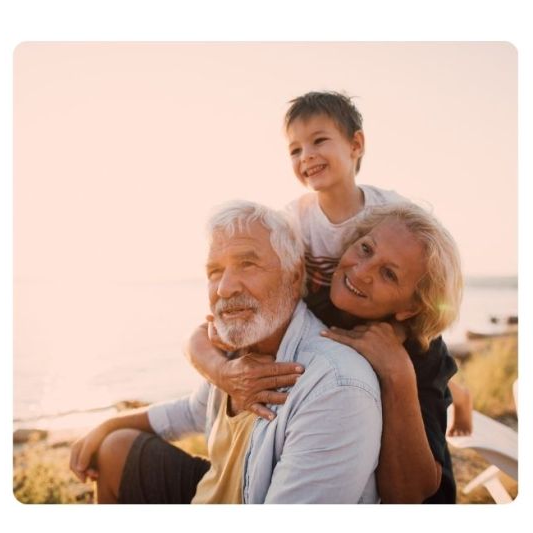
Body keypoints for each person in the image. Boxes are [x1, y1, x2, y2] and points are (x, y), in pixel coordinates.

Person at [69, 201, 383, 504]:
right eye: (215, 271)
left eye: (247, 264)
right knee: (115, 449)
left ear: (294, 274)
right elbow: (192, 411)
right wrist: (106, 425)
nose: (225, 288)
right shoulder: (237, 348)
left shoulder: (336, 386)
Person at [184, 202, 465, 502]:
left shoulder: (423, 355)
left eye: (389, 274)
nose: (362, 271)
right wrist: (222, 371)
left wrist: (397, 373)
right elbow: (200, 337)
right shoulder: (321, 299)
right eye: (366, 249)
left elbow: (409, 495)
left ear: (409, 308)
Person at [280, 91, 407, 293]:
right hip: (315, 317)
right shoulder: (294, 218)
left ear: (355, 145)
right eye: (295, 150)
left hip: (371, 312)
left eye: (319, 140)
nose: (305, 156)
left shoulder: (391, 209)